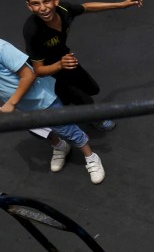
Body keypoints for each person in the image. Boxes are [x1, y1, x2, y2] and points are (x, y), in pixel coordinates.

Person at [22, 0, 143, 131]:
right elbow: (38, 70)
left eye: (46, 1)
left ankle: (65, 101)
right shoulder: (32, 32)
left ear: (55, 0)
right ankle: (95, 118)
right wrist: (60, 64)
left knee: (93, 89)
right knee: (85, 100)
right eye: (36, 4)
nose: (43, 8)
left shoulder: (64, 9)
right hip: (52, 73)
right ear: (29, 6)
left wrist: (121, 4)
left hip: (67, 61)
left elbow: (86, 7)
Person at [0, 39, 105, 184]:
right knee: (39, 131)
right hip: (20, 106)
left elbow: (28, 74)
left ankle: (91, 157)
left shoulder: (2, 48)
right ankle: (61, 147)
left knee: (66, 129)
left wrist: (12, 102)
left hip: (41, 99)